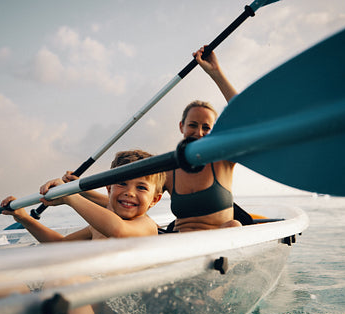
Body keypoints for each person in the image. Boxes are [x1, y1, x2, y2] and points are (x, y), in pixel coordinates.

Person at [42, 46, 251, 232]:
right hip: (181, 244)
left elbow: (247, 120)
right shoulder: (169, 169)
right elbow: (127, 200)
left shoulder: (224, 160)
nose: (199, 133)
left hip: (221, 245)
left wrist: (216, 74)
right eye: (193, 126)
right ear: (182, 127)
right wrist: (80, 189)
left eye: (207, 127)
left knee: (234, 225)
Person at [1, 150, 166, 242]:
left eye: (141, 187)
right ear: (109, 189)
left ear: (155, 200)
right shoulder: (96, 227)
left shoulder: (146, 225)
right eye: (122, 183)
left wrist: (70, 197)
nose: (130, 192)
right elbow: (60, 246)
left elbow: (118, 230)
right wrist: (23, 218)